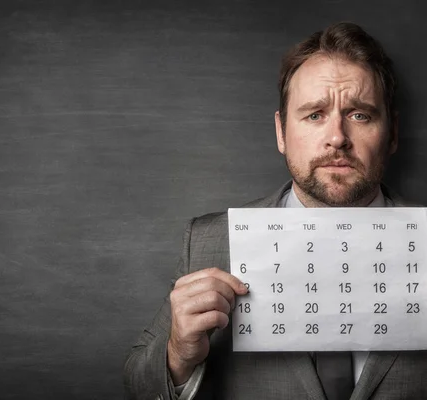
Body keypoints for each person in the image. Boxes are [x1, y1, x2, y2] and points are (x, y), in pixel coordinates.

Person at [123, 22, 427, 400]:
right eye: (314, 114)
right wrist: (178, 356)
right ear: (281, 132)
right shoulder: (209, 242)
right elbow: (137, 383)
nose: (337, 137)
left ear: (393, 133)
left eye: (360, 115)